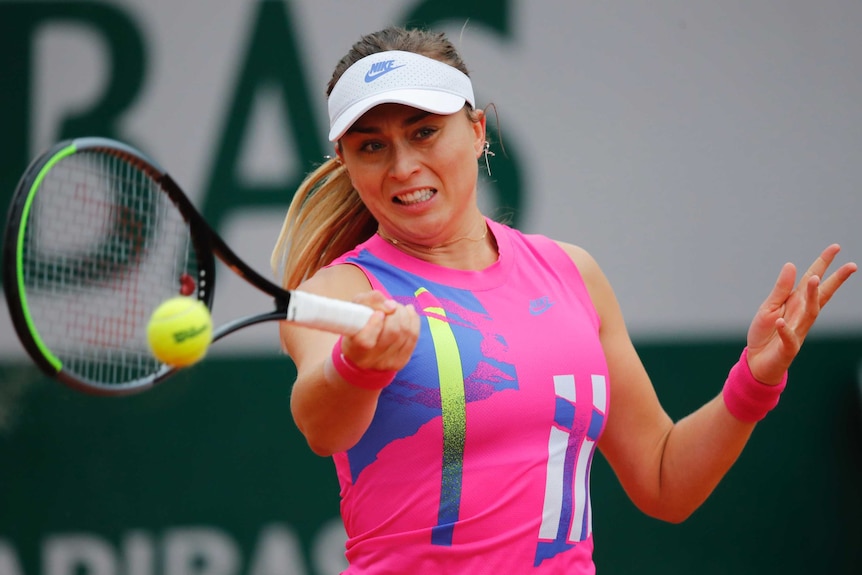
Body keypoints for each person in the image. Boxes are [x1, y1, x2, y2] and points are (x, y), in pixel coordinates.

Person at [270, 26, 857, 574]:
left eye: (424, 131)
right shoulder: (338, 294)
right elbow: (321, 426)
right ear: (346, 163)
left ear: (477, 132)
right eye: (372, 146)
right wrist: (359, 366)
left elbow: (662, 480)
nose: (403, 166)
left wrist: (753, 381)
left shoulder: (572, 273)